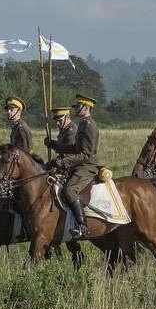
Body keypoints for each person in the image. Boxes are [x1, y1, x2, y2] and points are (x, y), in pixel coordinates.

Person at [49, 95, 100, 238]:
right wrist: (56, 146)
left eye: (78, 107)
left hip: (87, 166)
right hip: (80, 164)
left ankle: (82, 226)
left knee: (70, 190)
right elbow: (76, 148)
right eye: (76, 106)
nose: (76, 109)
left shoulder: (89, 125)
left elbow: (86, 155)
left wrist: (64, 162)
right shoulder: (83, 124)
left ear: (87, 108)